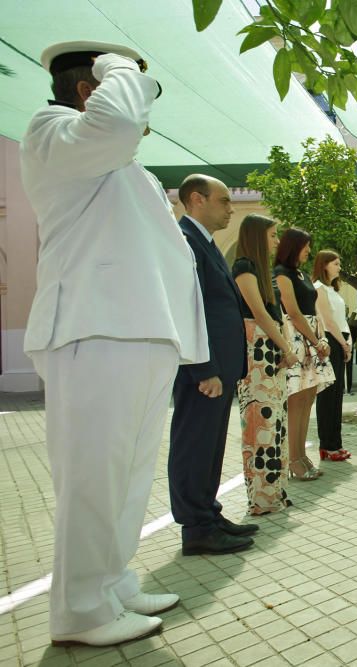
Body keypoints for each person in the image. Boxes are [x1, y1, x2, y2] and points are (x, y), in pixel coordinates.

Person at [22, 40, 209, 646]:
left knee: (127, 476)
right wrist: (123, 67)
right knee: (93, 476)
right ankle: (79, 610)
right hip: (92, 329)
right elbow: (121, 123)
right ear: (91, 89)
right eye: (138, 93)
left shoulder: (120, 163)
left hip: (138, 331)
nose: (145, 115)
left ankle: (110, 583)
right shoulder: (54, 130)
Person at [169, 175, 256, 557]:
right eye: (223, 201)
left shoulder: (203, 242)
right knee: (194, 446)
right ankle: (196, 528)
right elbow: (188, 309)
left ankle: (208, 514)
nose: (231, 208)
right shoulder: (185, 241)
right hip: (204, 371)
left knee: (210, 446)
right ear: (196, 200)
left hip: (217, 367)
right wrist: (202, 368)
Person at [232, 214, 296, 516]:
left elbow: (276, 314)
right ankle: (261, 498)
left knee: (276, 423)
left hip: (271, 353)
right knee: (261, 424)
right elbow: (258, 313)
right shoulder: (244, 267)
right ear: (257, 237)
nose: (275, 241)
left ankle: (275, 490)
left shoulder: (262, 271)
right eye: (272, 235)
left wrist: (284, 346)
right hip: (256, 353)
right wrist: (286, 346)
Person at [274, 228, 336, 478]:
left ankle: (301, 457)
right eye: (305, 246)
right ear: (294, 246)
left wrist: (321, 338)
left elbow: (312, 310)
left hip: (312, 337)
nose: (309, 250)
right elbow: (293, 311)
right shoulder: (281, 273)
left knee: (308, 400)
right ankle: (293, 461)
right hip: (296, 337)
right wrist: (314, 340)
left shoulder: (301, 274)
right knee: (296, 400)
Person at [313, 250, 353, 462]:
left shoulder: (332, 289)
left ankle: (335, 443)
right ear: (324, 265)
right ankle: (326, 445)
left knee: (337, 396)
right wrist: (344, 344)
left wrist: (347, 343)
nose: (339, 267)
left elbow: (341, 320)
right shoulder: (319, 288)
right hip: (331, 341)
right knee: (328, 396)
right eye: (335, 263)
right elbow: (328, 321)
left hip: (340, 341)